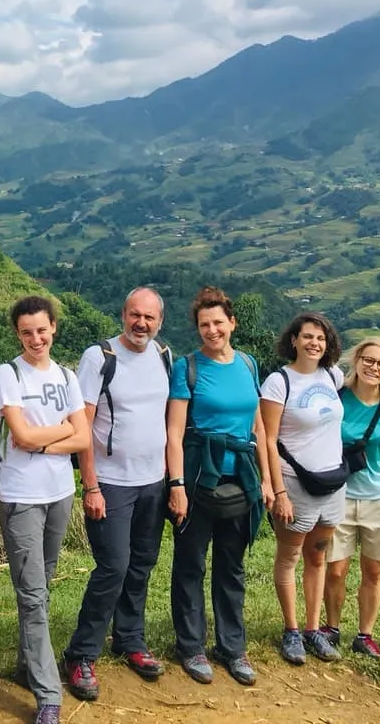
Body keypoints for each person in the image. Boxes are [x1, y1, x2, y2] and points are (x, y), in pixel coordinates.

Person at [62, 288, 171, 701]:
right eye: (134, 315)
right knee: (113, 567)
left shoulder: (163, 356)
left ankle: (130, 640)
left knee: (141, 564)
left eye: (149, 317)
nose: (140, 323)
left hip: (152, 481)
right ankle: (81, 653)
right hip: (110, 482)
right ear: (122, 315)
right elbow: (82, 427)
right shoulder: (99, 357)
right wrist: (90, 485)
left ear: (160, 321)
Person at [165, 287, 272, 688]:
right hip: (196, 475)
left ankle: (233, 647)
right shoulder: (187, 367)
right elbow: (174, 433)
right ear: (197, 329)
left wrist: (265, 480)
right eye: (204, 324)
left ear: (232, 323)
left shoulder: (248, 363)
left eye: (218, 322)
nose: (212, 330)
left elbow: (258, 426)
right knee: (190, 564)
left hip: (240, 475)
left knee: (232, 565)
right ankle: (191, 645)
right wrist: (175, 486)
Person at [0, 295, 90, 724]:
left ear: (54, 329)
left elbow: (83, 439)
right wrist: (60, 432)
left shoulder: (67, 376)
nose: (36, 338)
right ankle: (49, 696)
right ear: (18, 333)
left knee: (42, 586)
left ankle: (27, 665)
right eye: (27, 331)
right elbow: (20, 436)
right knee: (33, 597)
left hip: (59, 493)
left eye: (42, 330)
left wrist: (41, 439)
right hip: (21, 496)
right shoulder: (7, 374)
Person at [259, 312, 348, 666]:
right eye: (307, 336)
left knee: (318, 555)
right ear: (293, 340)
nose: (314, 343)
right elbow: (266, 438)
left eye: (321, 338)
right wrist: (277, 491)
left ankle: (313, 630)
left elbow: (371, 385)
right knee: (290, 556)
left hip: (332, 482)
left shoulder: (333, 375)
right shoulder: (279, 382)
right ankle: (291, 630)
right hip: (294, 482)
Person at [322, 337, 380, 659]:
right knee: (335, 569)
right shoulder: (336, 398)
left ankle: (365, 633)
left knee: (374, 571)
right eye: (369, 360)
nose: (374, 368)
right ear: (356, 360)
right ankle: (330, 628)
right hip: (340, 496)